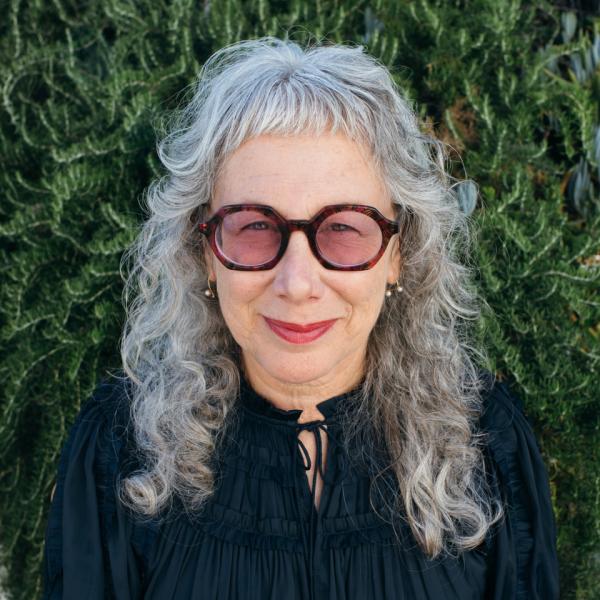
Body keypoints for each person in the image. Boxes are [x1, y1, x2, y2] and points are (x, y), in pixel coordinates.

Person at [42, 36, 559, 599]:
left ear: (397, 255)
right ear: (205, 256)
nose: (296, 284)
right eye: (254, 226)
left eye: (342, 228)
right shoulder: (118, 450)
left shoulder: (488, 444)